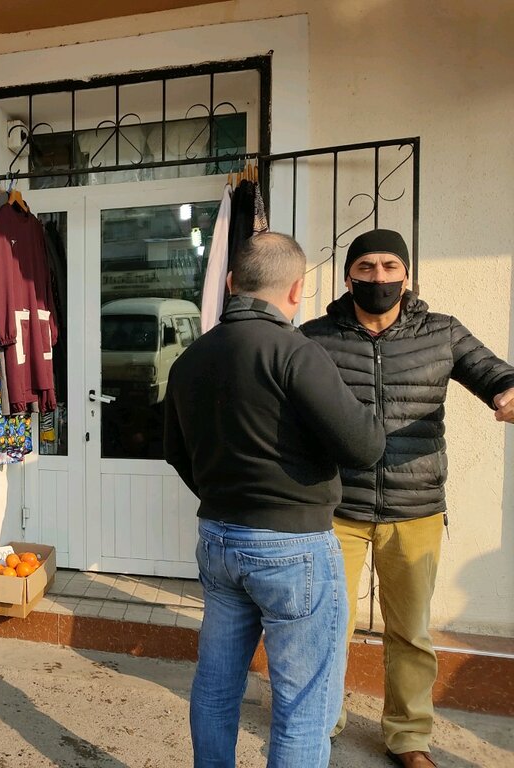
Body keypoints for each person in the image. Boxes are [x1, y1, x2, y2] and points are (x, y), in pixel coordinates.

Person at [164, 232, 385, 768]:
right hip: (293, 546)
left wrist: (224, 494)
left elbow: (175, 452)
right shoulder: (294, 352)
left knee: (217, 688)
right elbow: (365, 446)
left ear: (232, 283)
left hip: (219, 539)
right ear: (296, 290)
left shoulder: (190, 357)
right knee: (304, 706)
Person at [300, 229, 514, 768]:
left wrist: (509, 391)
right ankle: (317, 727)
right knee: (327, 627)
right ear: (347, 277)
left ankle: (408, 736)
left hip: (415, 507)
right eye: (366, 267)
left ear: (407, 274)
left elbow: (492, 371)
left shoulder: (442, 332)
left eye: (389, 266)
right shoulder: (314, 338)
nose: (378, 277)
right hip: (337, 507)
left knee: (410, 633)